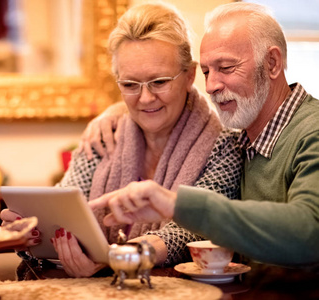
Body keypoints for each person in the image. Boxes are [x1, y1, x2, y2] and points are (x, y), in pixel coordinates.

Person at [1, 2, 243, 278]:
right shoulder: (103, 135)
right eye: (130, 85)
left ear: (189, 76)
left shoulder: (224, 145)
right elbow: (66, 205)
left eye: (159, 82)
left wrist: (115, 258)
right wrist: (29, 229)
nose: (145, 98)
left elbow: (190, 229)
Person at [87, 2, 319, 268]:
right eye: (207, 72)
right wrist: (118, 110)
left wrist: (177, 204)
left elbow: (310, 232)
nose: (210, 86)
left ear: (273, 63)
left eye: (227, 68)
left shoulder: (311, 131)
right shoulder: (243, 142)